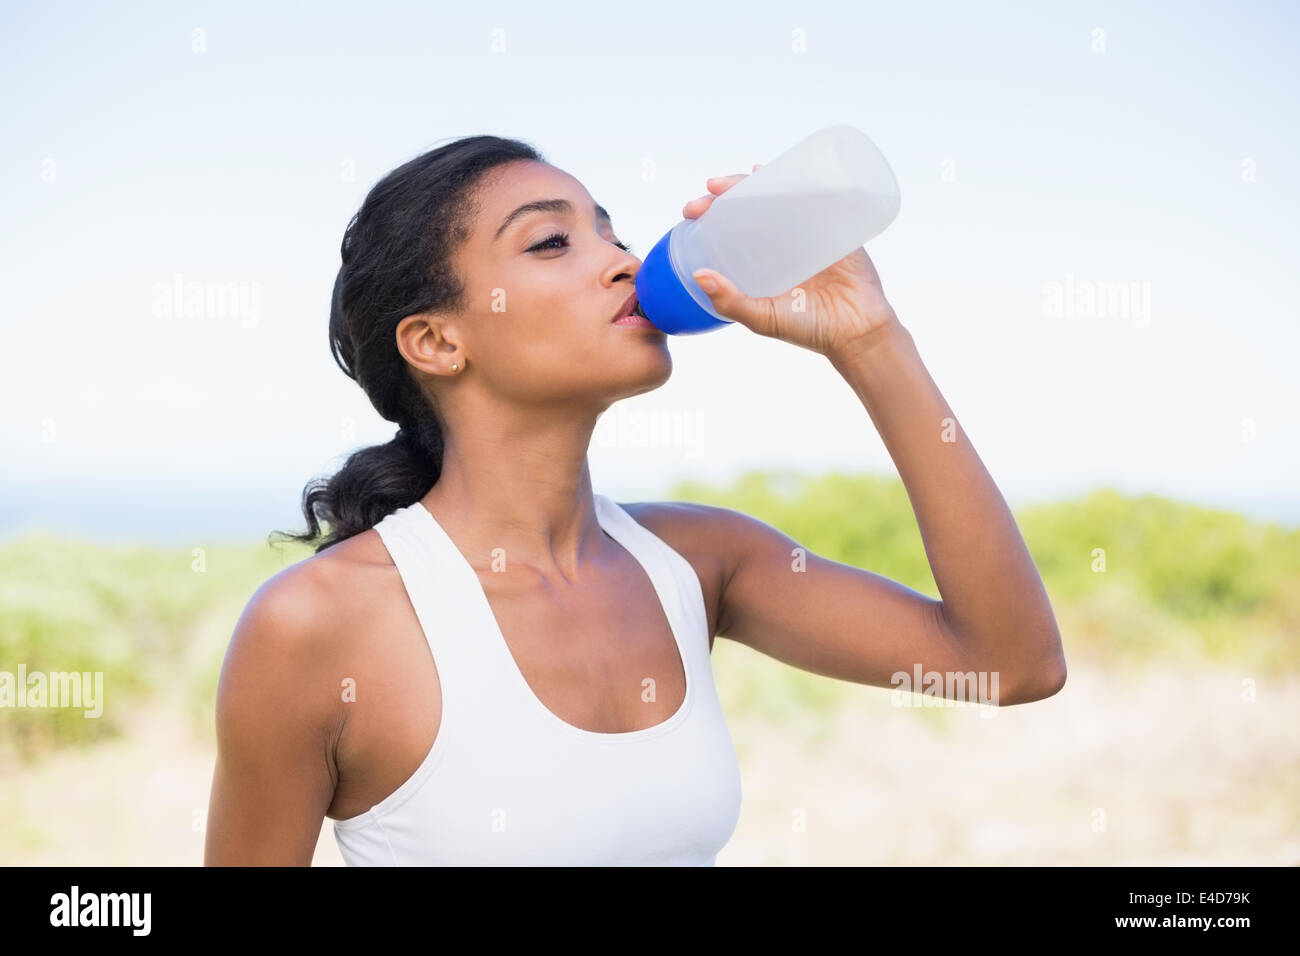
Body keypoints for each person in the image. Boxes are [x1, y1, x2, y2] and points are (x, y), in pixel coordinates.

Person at [203, 134, 1067, 866]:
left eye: (610, 232)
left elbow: (1009, 663)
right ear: (436, 340)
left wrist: (871, 341)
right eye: (551, 244)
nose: (624, 260)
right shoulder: (319, 624)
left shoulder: (701, 561)